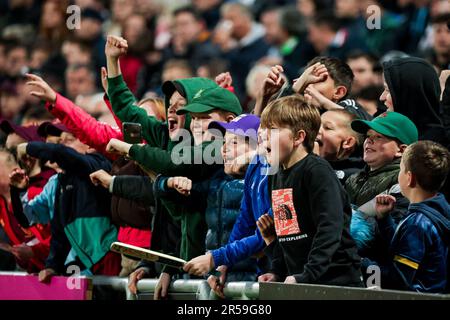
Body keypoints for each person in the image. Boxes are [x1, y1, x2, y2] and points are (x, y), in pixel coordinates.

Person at [256, 95, 362, 287]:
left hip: (335, 281)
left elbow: (330, 228)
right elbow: (286, 232)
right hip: (302, 281)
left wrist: (307, 274)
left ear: (299, 137)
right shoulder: (276, 173)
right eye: (263, 129)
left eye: (272, 129)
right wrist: (277, 271)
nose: (263, 135)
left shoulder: (317, 171)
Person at [14, 131, 120, 282]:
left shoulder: (97, 163)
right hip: (85, 263)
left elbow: (62, 153)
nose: (61, 145)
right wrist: (52, 266)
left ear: (89, 145)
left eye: (68, 140)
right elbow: (59, 232)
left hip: (109, 254)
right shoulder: (60, 182)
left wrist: (29, 147)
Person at [181, 115, 267, 297]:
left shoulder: (266, 181)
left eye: (234, 143)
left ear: (259, 146)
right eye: (224, 142)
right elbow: (242, 225)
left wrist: (216, 258)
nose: (225, 149)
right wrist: (222, 265)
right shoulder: (218, 182)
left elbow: (261, 237)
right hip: (225, 281)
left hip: (256, 282)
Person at [372, 141, 450, 293]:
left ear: (409, 178)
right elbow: (405, 246)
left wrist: (366, 265)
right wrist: (384, 218)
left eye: (400, 169)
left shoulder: (417, 223)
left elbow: (399, 280)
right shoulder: (437, 211)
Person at [347, 111, 418, 258]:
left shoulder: (404, 182)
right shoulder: (353, 179)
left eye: (378, 137)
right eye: (368, 136)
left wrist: (354, 220)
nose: (369, 141)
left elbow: (397, 233)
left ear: (402, 149)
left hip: (379, 267)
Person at [381, 57, 446, 144]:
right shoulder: (387, 128)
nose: (381, 97)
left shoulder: (433, 146)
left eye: (388, 90)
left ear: (410, 94)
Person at [315, 109, 365, 184]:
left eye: (328, 128)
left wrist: (314, 162)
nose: (317, 130)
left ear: (348, 142)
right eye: (316, 125)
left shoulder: (355, 176)